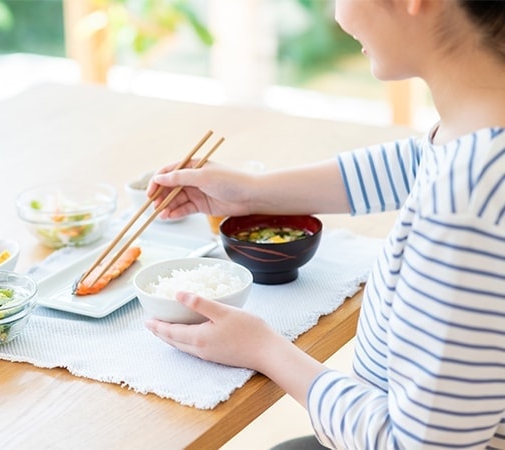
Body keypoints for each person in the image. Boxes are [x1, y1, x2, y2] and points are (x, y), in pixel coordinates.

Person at [146, 0, 505, 448]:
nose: (336, 14)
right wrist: (253, 191)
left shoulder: (466, 204)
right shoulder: (478, 131)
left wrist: (263, 349)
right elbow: (418, 162)